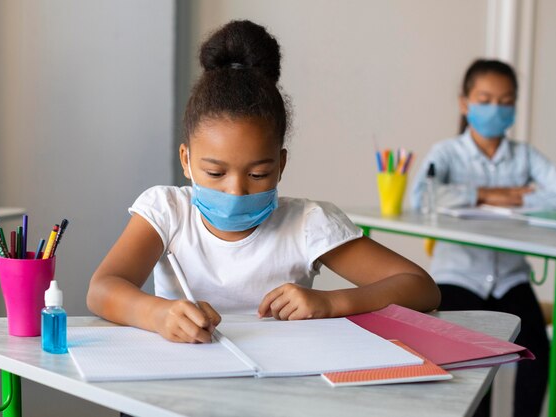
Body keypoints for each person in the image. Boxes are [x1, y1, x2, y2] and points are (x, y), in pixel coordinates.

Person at [87, 19, 440, 346]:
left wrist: (331, 301)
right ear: (186, 161)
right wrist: (156, 314)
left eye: (258, 174)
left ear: (281, 165)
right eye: (215, 173)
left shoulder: (307, 224)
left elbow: (421, 288)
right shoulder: (166, 211)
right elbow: (102, 289)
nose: (236, 190)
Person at [410, 58, 556, 417]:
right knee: (473, 363)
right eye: (485, 99)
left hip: (511, 279)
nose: (495, 109)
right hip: (458, 276)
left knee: (538, 356)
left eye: (505, 102)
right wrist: (485, 194)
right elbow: (421, 198)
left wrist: (522, 197)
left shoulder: (524, 155)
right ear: (464, 102)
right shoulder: (447, 152)